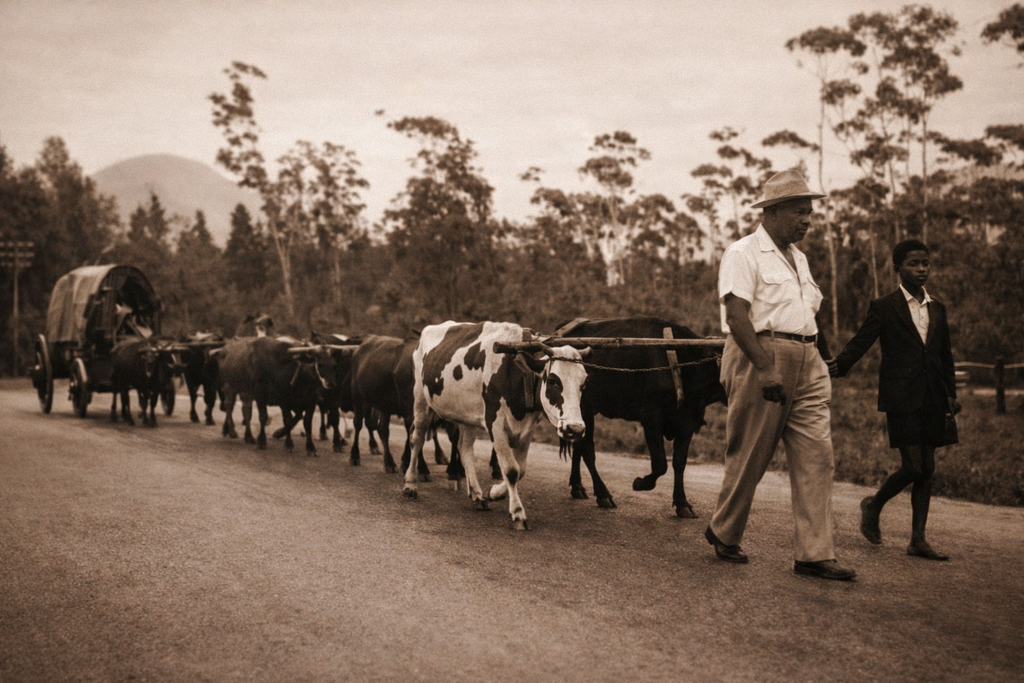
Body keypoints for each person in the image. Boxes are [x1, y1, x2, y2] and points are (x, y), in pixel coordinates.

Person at [706, 168, 856, 581]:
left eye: (809, 212)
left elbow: (808, 314)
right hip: (762, 354)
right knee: (751, 450)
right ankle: (724, 530)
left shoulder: (800, 259)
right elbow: (737, 316)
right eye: (799, 212)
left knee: (817, 456)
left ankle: (814, 552)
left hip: (806, 357)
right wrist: (765, 368)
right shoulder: (743, 253)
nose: (807, 220)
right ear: (772, 211)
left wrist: (822, 359)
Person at [830, 239, 961, 561]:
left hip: (933, 396)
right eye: (914, 264)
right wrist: (840, 364)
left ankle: (918, 540)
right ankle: (874, 504)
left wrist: (950, 395)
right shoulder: (885, 306)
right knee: (913, 465)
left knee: (927, 468)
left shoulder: (937, 308)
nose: (921, 269)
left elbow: (944, 355)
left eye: (925, 263)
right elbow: (863, 339)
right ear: (897, 268)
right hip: (901, 395)